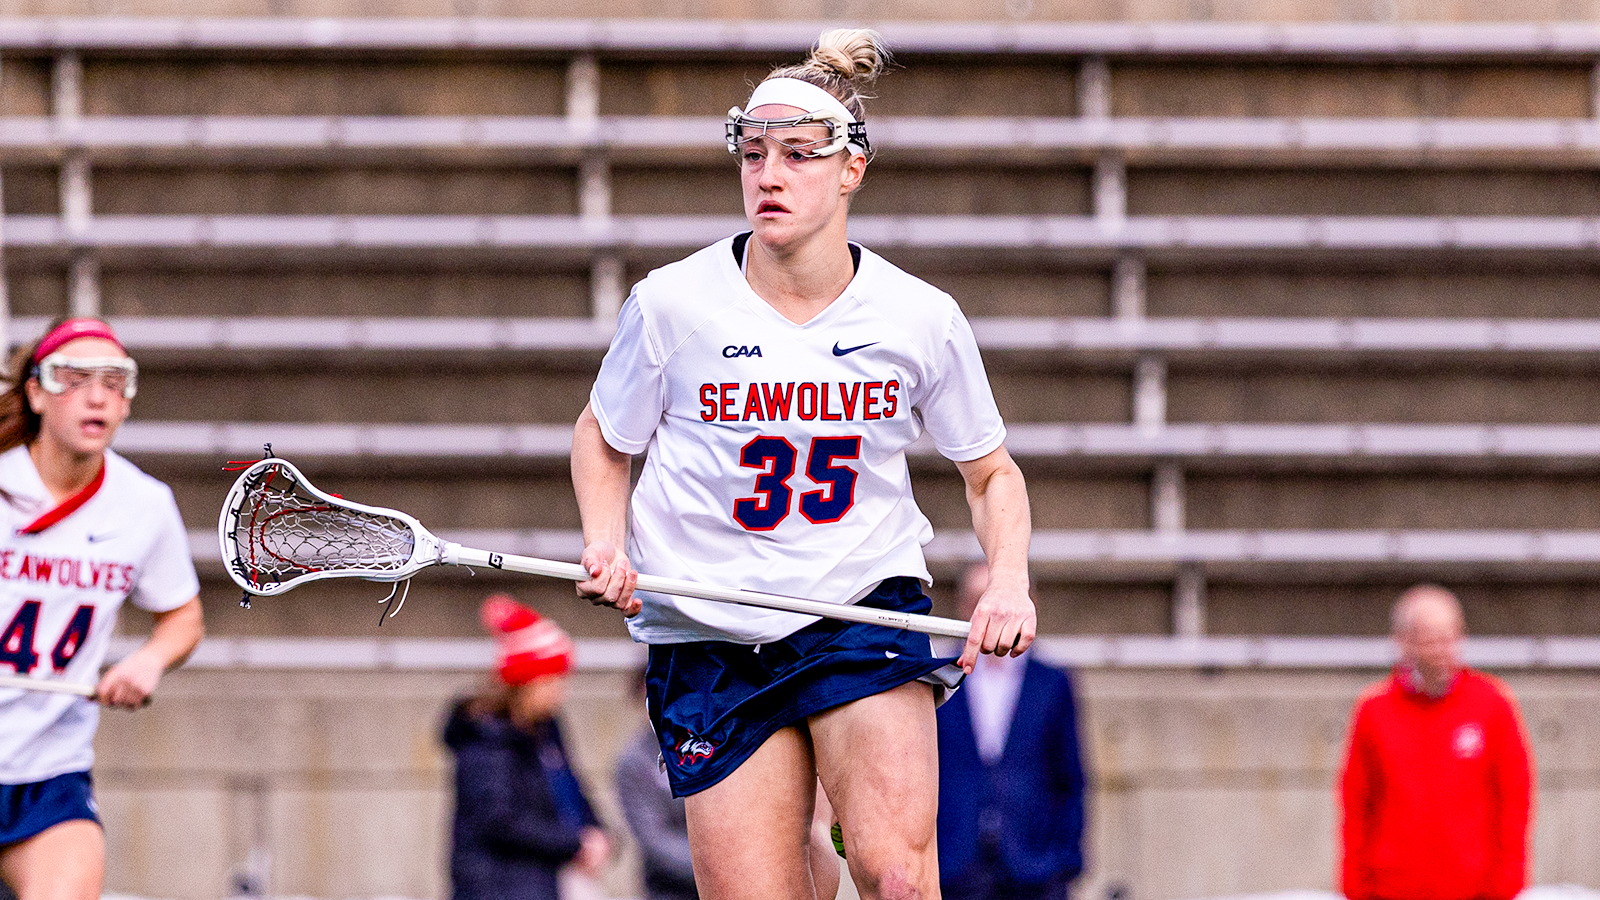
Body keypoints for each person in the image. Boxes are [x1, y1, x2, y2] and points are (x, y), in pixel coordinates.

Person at [571, 27, 1036, 900]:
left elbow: (992, 474)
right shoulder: (673, 305)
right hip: (710, 628)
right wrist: (607, 541)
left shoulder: (917, 315)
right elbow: (603, 437)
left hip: (859, 608)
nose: (769, 176)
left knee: (898, 876)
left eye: (796, 155)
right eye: (752, 155)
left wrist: (1007, 577)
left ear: (851, 169)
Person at [0, 317, 205, 900]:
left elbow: (183, 616)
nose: (97, 395)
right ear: (36, 392)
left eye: (115, 381)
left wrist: (149, 661)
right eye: (75, 377)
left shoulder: (143, 504)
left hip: (49, 770)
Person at [1339, 584, 1533, 900]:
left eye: (1450, 638)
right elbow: (1357, 802)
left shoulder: (1491, 704)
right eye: (1430, 640)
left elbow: (1513, 797)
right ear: (1403, 642)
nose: (1442, 651)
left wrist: (1507, 882)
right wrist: (1356, 886)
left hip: (1475, 891)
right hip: (1393, 890)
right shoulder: (1374, 711)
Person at [443, 595, 610, 900]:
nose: (561, 692)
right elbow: (499, 821)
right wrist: (575, 843)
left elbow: (572, 793)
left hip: (551, 880)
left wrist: (597, 833)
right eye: (552, 682)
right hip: (501, 887)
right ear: (526, 683)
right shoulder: (485, 737)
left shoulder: (546, 732)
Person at [935, 563, 1085, 900]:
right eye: (976, 601)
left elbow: (1070, 777)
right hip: (954, 865)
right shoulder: (938, 676)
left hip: (1034, 867)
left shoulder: (1051, 682)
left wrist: (1066, 859)